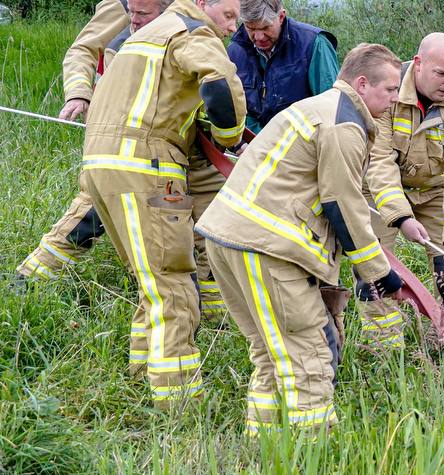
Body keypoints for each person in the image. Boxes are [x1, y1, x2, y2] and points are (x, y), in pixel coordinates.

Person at [196, 43, 406, 434]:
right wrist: (378, 272)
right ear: (363, 83)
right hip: (265, 247)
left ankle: (262, 442)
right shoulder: (345, 125)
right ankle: (314, 455)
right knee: (309, 353)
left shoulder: (319, 108)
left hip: (226, 238)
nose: (395, 98)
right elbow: (342, 204)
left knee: (270, 352)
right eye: (390, 90)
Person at [79, 0, 245, 409]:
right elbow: (220, 83)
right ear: (204, 3)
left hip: (101, 163)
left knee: (149, 278)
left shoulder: (149, 32)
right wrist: (230, 136)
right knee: (173, 281)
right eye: (228, 16)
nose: (232, 28)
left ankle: (141, 373)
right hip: (149, 165)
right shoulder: (191, 29)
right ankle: (179, 401)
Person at [361, 32, 444, 350]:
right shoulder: (388, 89)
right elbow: (379, 162)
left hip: (435, 191)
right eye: (441, 73)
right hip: (379, 191)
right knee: (373, 266)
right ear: (418, 64)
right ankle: (384, 352)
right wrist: (401, 217)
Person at [14, 0, 139, 284]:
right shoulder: (123, 4)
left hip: (174, 130)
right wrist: (78, 93)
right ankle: (30, 279)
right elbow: (83, 49)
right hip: (119, 126)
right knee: (96, 203)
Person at [227, 0, 339, 133]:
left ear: (281, 17)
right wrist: (250, 142)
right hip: (253, 146)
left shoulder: (315, 44)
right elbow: (233, 109)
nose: (259, 37)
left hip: (303, 146)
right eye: (250, 28)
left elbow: (331, 108)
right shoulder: (235, 51)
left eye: (265, 27)